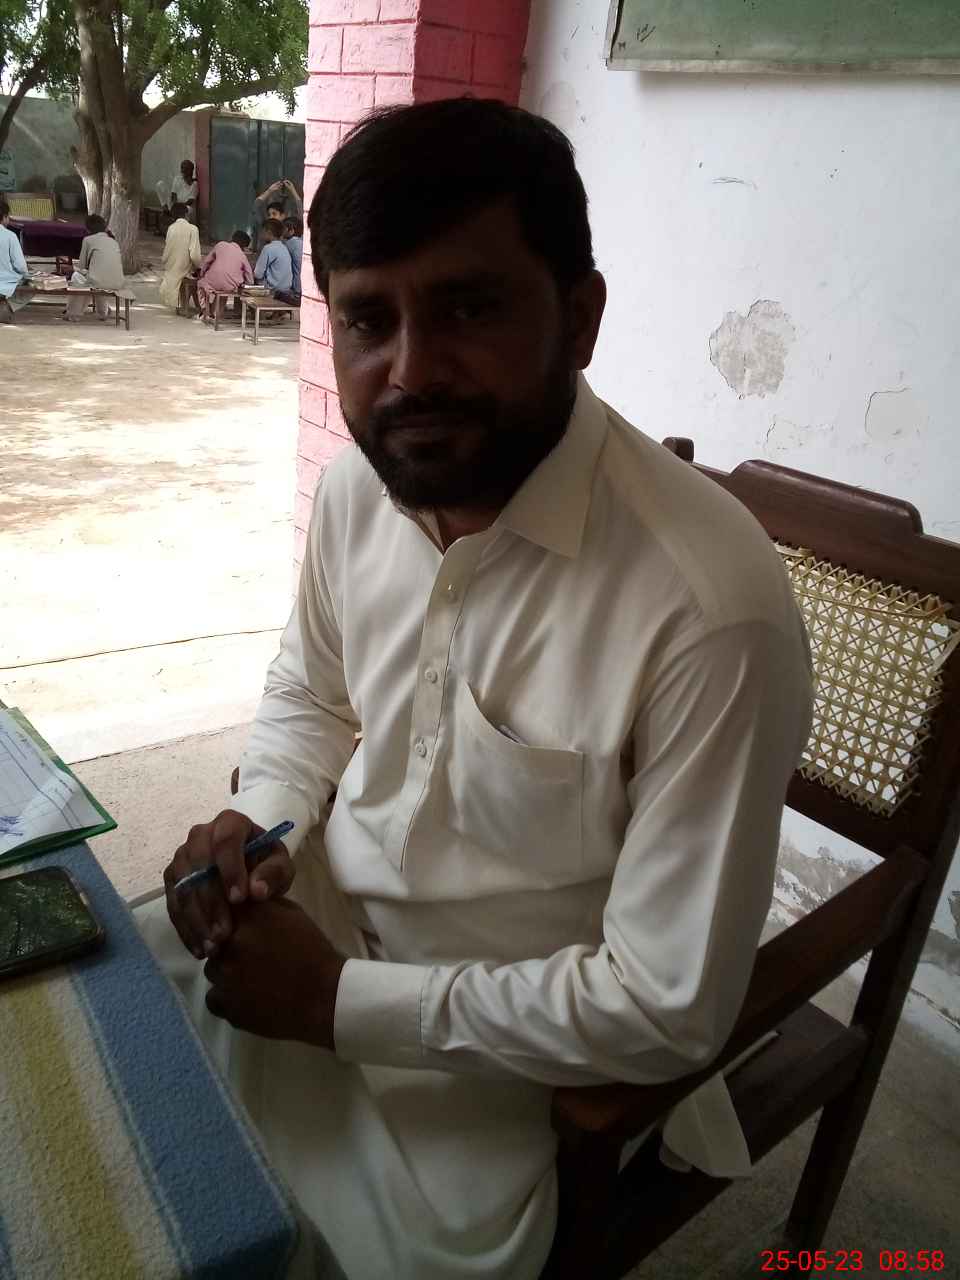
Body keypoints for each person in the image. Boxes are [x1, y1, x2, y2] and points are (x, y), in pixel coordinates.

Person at [139, 100, 812, 1280]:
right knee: (104, 1030)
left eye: (468, 308)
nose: (410, 372)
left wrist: (338, 1002)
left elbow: (665, 1004)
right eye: (369, 319)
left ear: (580, 318)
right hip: (319, 928)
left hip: (510, 1061)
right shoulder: (360, 489)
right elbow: (311, 690)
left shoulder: (709, 612)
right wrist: (266, 817)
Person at [63, 213, 124, 322]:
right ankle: (103, 311)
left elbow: (82, 266)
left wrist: (72, 269)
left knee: (78, 277)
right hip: (118, 281)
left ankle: (73, 314)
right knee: (96, 278)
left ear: (88, 229)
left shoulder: (88, 240)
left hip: (99, 281)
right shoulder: (113, 241)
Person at [196, 230, 253, 322]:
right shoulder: (242, 255)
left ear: (232, 238)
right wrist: (249, 285)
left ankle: (205, 310)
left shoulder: (221, 245)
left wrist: (202, 273)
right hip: (230, 284)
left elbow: (207, 261)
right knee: (224, 293)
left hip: (212, 280)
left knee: (201, 284)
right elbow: (249, 273)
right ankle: (216, 316)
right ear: (244, 246)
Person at [159, 202, 201, 311]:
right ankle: (192, 305)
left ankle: (185, 304)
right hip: (184, 267)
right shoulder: (193, 229)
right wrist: (198, 266)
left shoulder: (171, 228)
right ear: (186, 214)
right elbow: (195, 255)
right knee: (197, 273)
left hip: (170, 267)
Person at [253, 219, 296, 305]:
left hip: (272, 290)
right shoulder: (284, 247)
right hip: (286, 289)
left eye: (262, 232)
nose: (261, 234)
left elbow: (258, 274)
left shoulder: (268, 248)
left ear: (268, 232)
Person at [0, 198, 28, 322]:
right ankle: (8, 306)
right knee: (33, 284)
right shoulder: (10, 236)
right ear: (4, 217)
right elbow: (20, 265)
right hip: (5, 281)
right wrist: (27, 275)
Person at [254, 178, 303, 244]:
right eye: (269, 215)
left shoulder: (287, 231)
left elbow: (301, 213)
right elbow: (256, 207)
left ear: (283, 216)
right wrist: (269, 191)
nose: (271, 217)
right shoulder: (265, 226)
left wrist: (293, 191)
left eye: (274, 214)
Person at [169, 159, 199, 224]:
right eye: (182, 168)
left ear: (190, 171)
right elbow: (173, 194)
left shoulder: (194, 184)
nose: (182, 170)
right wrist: (175, 205)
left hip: (186, 207)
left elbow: (190, 201)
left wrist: (180, 207)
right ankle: (166, 210)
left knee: (187, 209)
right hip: (175, 205)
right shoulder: (177, 179)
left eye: (185, 168)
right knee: (160, 184)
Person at [281, 216, 303, 300]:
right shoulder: (301, 242)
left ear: (291, 231)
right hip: (302, 285)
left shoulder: (290, 243)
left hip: (295, 286)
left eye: (284, 229)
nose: (282, 231)